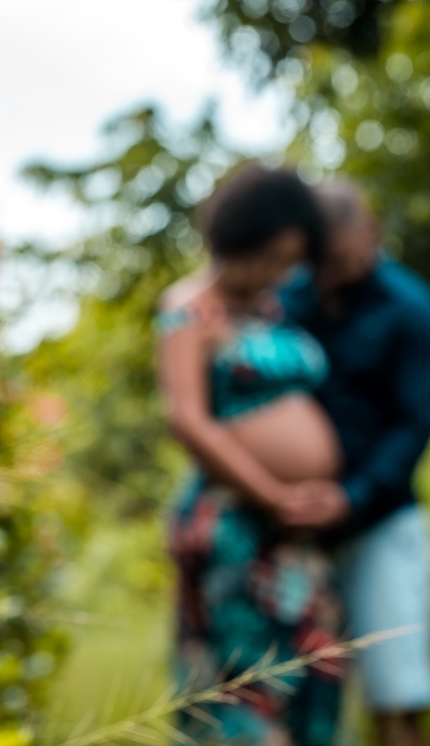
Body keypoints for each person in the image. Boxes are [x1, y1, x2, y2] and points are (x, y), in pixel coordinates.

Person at [155, 164, 347, 746]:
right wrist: (275, 494)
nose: (274, 272)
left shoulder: (273, 309)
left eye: (286, 261)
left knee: (311, 678)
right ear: (236, 237)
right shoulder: (190, 307)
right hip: (236, 527)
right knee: (243, 686)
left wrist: (322, 498)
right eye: (266, 256)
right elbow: (187, 420)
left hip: (300, 539)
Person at [279, 180, 430, 746]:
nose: (327, 274)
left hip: (379, 523)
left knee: (395, 701)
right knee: (291, 696)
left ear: (370, 233)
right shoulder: (290, 299)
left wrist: (351, 497)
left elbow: (414, 425)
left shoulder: (413, 310)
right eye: (317, 261)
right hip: (292, 528)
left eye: (337, 259)